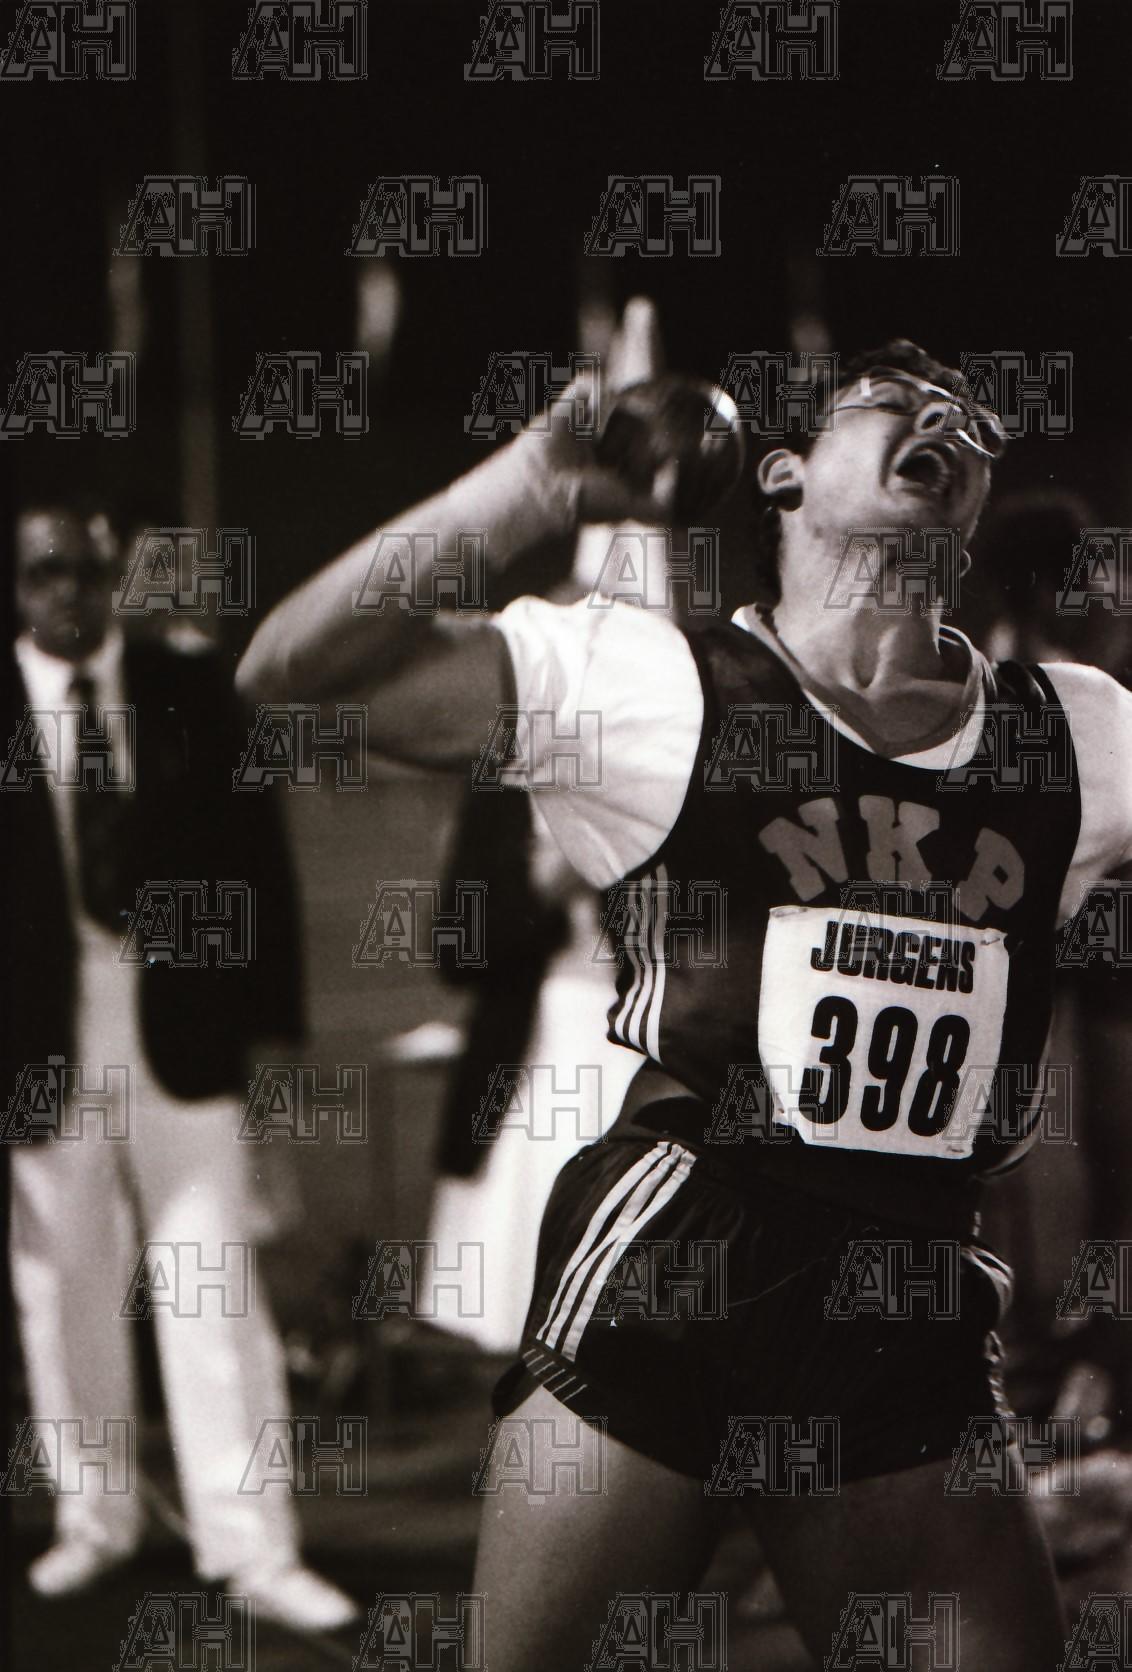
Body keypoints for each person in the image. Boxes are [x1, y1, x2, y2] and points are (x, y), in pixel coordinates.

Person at [237, 328, 1132, 1670]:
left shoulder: (1079, 733)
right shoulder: (653, 683)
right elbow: (292, 672)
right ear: (782, 473)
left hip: (912, 1290)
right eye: (891, 401)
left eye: (964, 416)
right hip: (684, 1254)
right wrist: (531, 487)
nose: (941, 420)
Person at [5, 506, 358, 1632]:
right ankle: (95, 1520)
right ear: (17, 584)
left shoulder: (188, 688)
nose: (71, 591)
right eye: (47, 573)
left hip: (181, 1026)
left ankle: (254, 1547)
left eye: (88, 569)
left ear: (114, 573)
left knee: (213, 1284)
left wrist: (272, 1044)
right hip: (37, 1036)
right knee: (64, 1292)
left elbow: (259, 866)